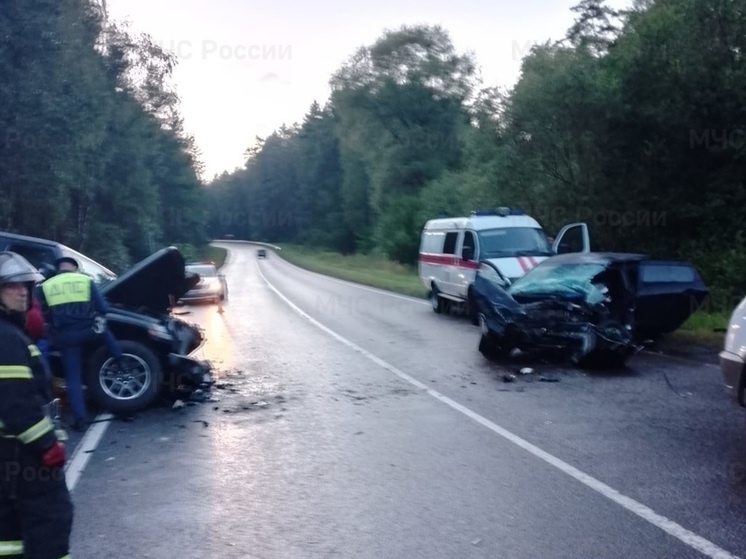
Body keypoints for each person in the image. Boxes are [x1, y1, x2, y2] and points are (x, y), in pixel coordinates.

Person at [0, 251, 73, 559]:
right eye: (12, 286)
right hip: (25, 455)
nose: (23, 292)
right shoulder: (6, 338)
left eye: (26, 286)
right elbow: (15, 403)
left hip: (10, 455)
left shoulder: (11, 333)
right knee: (51, 523)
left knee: (9, 531)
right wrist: (46, 445)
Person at [37, 256, 123, 432]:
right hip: (89, 332)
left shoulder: (46, 286)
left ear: (58, 268)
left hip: (66, 338)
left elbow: (42, 315)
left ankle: (80, 419)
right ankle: (120, 359)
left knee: (73, 379)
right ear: (75, 268)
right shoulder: (85, 280)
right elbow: (103, 309)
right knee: (104, 330)